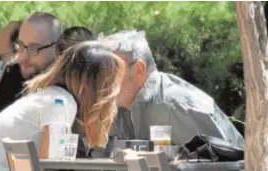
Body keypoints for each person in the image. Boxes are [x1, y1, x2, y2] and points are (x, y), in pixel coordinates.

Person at [0, 41, 125, 171]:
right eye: (109, 85)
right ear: (87, 85)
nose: (113, 94)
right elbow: (51, 165)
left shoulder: (51, 98)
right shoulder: (60, 104)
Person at [101, 30, 244, 148]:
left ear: (139, 69)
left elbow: (225, 163)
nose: (103, 81)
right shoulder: (122, 106)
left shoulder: (175, 106)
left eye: (111, 72)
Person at [0, 12, 62, 126]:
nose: (23, 57)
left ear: (57, 48)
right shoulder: (13, 72)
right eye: (20, 46)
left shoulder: (68, 79)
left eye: (34, 48)